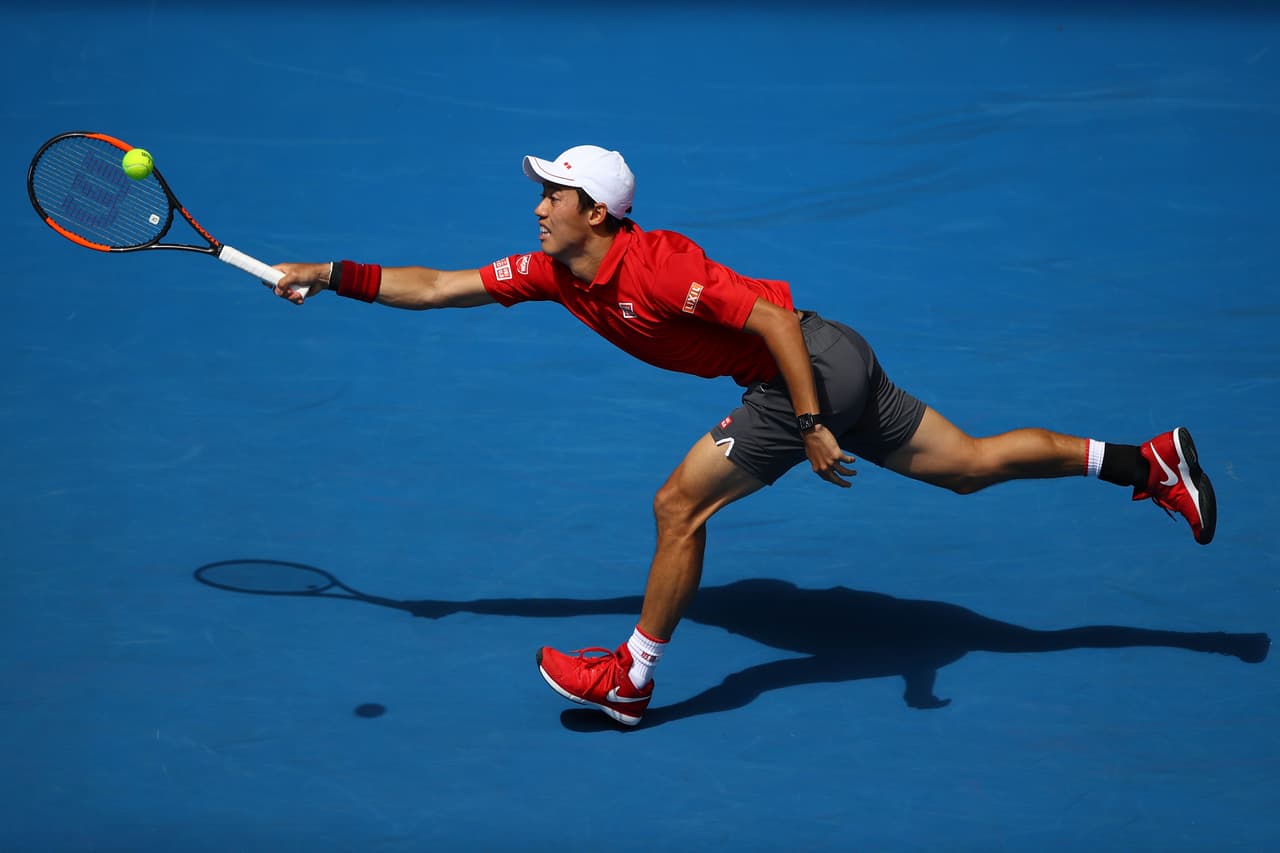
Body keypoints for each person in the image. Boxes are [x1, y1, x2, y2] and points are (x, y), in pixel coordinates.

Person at [271, 144, 1217, 727]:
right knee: (967, 467)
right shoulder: (556, 271)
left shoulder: (661, 265)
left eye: (554, 192)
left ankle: (630, 681)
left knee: (678, 504)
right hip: (838, 358)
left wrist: (808, 422)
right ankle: (1146, 461)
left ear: (595, 211)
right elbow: (440, 285)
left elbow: (769, 319)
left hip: (803, 370)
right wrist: (328, 271)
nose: (538, 203)